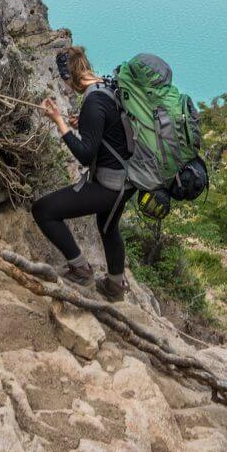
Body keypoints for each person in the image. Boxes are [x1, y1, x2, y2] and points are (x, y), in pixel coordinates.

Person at [32, 46, 134, 301]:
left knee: (43, 210)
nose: (66, 87)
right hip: (128, 181)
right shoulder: (106, 87)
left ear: (69, 76)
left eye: (65, 81)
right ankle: (115, 286)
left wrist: (60, 122)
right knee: (108, 228)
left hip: (110, 186)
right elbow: (109, 131)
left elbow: (86, 155)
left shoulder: (93, 100)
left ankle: (80, 269)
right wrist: (85, 124)